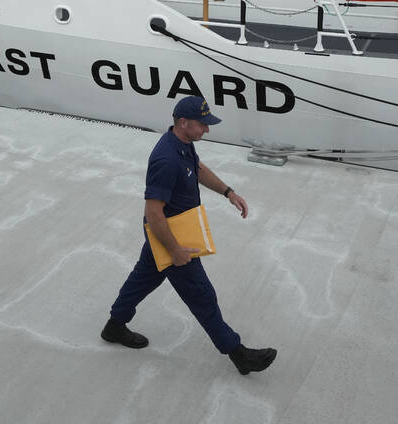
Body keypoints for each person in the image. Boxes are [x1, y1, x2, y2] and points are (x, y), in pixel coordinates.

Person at [101, 96, 277, 375]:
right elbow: (154, 213)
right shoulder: (166, 159)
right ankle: (238, 354)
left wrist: (228, 192)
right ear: (183, 123)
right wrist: (175, 251)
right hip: (170, 236)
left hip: (167, 233)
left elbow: (199, 170)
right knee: (202, 295)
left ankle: (114, 326)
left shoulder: (182, 144)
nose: (206, 130)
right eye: (202, 125)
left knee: (142, 278)